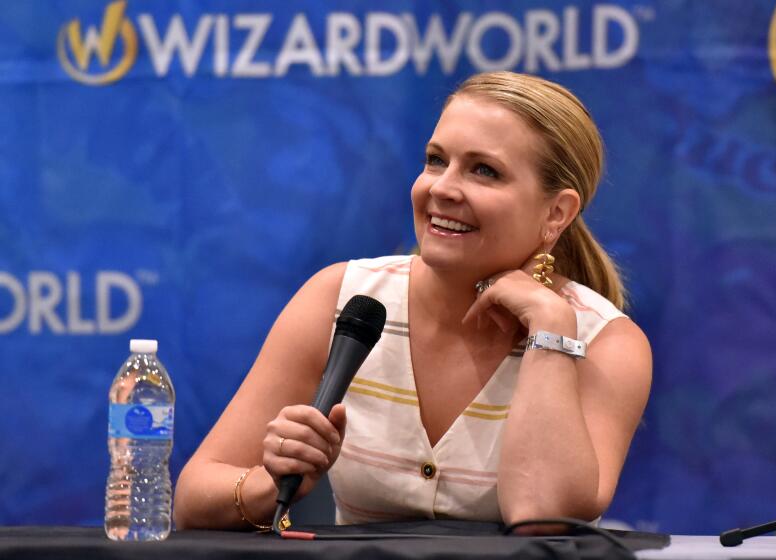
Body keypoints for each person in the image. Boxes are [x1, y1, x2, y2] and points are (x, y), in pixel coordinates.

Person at [173, 71, 652, 531]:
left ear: (556, 213)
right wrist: (270, 482)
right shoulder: (340, 297)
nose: (442, 188)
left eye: (484, 171)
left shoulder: (605, 342)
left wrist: (549, 323)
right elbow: (193, 498)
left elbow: (542, 517)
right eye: (436, 160)